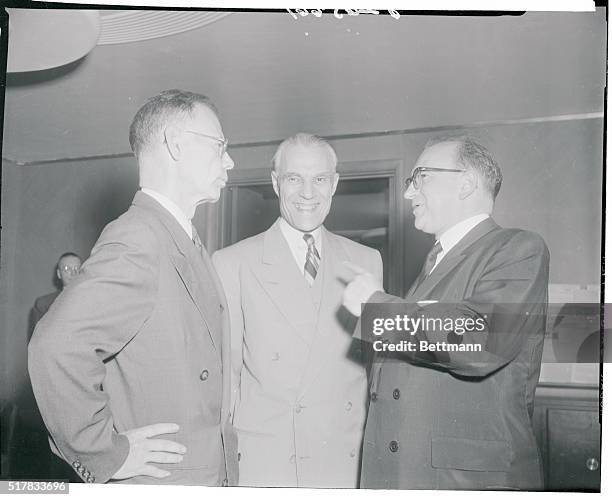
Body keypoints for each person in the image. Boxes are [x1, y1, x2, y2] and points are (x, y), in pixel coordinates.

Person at [28, 89, 237, 486]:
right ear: (176, 146)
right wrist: (105, 453)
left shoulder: (180, 237)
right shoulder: (139, 236)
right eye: (219, 146)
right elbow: (54, 345)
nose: (229, 160)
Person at [343, 136, 549, 490]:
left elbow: (479, 339)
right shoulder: (435, 263)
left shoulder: (518, 248)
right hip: (408, 473)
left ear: (466, 183)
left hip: (464, 481)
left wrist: (375, 305)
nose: (408, 193)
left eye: (420, 176)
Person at [213, 133, 383, 487]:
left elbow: (370, 374)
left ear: (334, 184)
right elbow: (227, 382)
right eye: (294, 178)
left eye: (320, 179)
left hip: (342, 462)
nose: (308, 193)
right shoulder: (233, 263)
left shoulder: (367, 260)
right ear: (276, 183)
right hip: (269, 465)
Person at [29, 252, 82, 341]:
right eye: (66, 269)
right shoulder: (43, 304)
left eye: (77, 268)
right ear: (59, 274)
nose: (73, 273)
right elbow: (37, 342)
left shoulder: (93, 302)